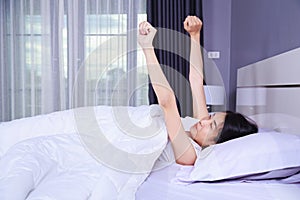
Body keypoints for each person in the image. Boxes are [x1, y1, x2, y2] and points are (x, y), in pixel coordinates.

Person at [138, 16, 258, 166]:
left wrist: (147, 48)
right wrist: (195, 35)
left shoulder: (190, 154)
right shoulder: (200, 128)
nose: (204, 121)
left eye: (212, 125)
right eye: (211, 116)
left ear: (216, 144)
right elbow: (196, 80)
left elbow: (167, 102)